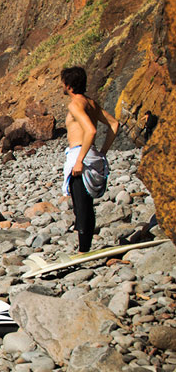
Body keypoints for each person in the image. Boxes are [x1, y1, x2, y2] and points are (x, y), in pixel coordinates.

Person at [60, 66, 119, 252]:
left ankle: (83, 249)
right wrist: (103, 152)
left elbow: (91, 131)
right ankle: (85, 246)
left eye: (62, 83)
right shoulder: (91, 103)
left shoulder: (75, 104)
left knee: (81, 204)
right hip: (90, 153)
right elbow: (114, 123)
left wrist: (79, 160)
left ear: (69, 85)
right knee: (85, 203)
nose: (61, 86)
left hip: (80, 154)